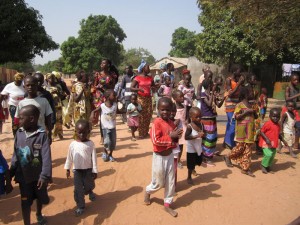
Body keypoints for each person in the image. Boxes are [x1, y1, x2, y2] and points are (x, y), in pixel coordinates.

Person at [10, 105, 52, 225]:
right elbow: (15, 153)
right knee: (25, 202)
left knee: (39, 197)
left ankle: (39, 214)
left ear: (32, 119)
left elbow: (46, 157)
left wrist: (44, 175)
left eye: (22, 118)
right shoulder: (19, 133)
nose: (19, 120)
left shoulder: (41, 135)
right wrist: (12, 170)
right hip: (24, 177)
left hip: (38, 177)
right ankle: (27, 223)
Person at [144, 97, 182, 217]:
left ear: (171, 110)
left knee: (170, 181)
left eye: (167, 109)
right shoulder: (156, 123)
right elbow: (156, 140)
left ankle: (167, 204)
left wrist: (177, 136)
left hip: (169, 155)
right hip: (159, 157)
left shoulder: (171, 123)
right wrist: (171, 137)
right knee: (159, 182)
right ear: (158, 110)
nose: (165, 112)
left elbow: (174, 140)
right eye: (162, 110)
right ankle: (148, 191)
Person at [64, 119, 98, 216]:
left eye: (84, 133)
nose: (82, 135)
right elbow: (69, 157)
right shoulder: (73, 144)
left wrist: (94, 170)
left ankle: (90, 191)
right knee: (78, 189)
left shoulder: (90, 144)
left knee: (88, 185)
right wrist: (67, 168)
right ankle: (80, 206)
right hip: (77, 171)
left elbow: (94, 158)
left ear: (88, 132)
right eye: (79, 133)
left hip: (88, 170)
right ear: (75, 132)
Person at [223, 87, 257, 177]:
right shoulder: (239, 105)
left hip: (250, 131)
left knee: (248, 150)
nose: (252, 93)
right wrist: (246, 112)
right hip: (241, 131)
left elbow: (256, 116)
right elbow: (237, 117)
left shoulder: (252, 105)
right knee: (240, 148)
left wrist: (254, 112)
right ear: (245, 94)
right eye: (250, 92)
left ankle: (245, 168)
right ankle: (228, 156)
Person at [14, 76, 53, 144]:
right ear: (24, 87)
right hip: (25, 134)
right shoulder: (21, 103)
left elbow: (48, 118)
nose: (30, 87)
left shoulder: (44, 101)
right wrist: (17, 135)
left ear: (37, 86)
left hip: (41, 134)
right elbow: (17, 120)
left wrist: (49, 133)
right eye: (28, 85)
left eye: (32, 85)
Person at [259, 108, 289, 174]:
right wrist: (266, 139)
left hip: (273, 143)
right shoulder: (268, 123)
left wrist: (283, 140)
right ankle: (263, 165)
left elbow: (279, 134)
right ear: (270, 116)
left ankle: (268, 166)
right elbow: (261, 132)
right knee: (268, 154)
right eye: (274, 116)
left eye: (277, 117)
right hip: (266, 143)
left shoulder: (278, 125)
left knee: (272, 155)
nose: (276, 118)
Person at [90, 89, 117, 162]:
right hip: (105, 127)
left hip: (113, 126)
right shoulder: (102, 106)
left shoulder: (115, 105)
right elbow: (95, 110)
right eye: (113, 95)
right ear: (108, 97)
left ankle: (110, 154)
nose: (115, 97)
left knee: (113, 142)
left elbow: (118, 111)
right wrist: (92, 114)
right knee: (107, 141)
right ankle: (105, 151)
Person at [131, 59, 155, 138]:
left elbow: (153, 86)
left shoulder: (150, 78)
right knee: (141, 115)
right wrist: (139, 89)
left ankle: (146, 132)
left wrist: (157, 86)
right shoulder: (137, 78)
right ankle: (141, 133)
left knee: (148, 115)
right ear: (143, 68)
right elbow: (131, 88)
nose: (149, 69)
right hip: (141, 98)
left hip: (148, 98)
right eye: (147, 67)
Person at [223, 65, 244, 149]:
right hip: (230, 104)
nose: (240, 73)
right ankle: (230, 143)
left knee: (230, 124)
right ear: (234, 72)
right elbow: (230, 93)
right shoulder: (229, 80)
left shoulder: (237, 81)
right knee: (233, 123)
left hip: (236, 105)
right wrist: (239, 84)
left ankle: (226, 142)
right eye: (239, 71)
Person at [200, 79, 218, 166]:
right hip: (206, 119)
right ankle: (206, 157)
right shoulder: (203, 95)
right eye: (212, 84)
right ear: (209, 86)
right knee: (208, 138)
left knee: (213, 137)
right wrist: (213, 92)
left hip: (212, 118)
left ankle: (208, 155)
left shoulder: (210, 94)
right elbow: (209, 104)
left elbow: (216, 104)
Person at [185, 107, 204, 184]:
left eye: (200, 116)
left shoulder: (201, 124)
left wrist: (203, 135)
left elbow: (204, 133)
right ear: (191, 117)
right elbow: (186, 137)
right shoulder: (189, 126)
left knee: (198, 160)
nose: (199, 118)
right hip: (191, 148)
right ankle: (189, 176)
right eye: (197, 117)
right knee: (190, 163)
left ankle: (193, 168)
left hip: (198, 146)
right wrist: (196, 136)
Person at [45, 73, 64, 141]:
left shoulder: (58, 86)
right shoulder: (45, 88)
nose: (52, 80)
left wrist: (58, 93)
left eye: (53, 78)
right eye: (50, 78)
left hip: (58, 105)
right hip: (49, 106)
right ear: (46, 79)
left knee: (59, 120)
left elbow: (62, 96)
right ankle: (52, 135)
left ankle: (60, 134)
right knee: (52, 120)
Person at [285, 72, 300, 150]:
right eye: (295, 80)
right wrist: (297, 95)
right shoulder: (288, 88)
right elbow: (287, 99)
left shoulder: (297, 89)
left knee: (298, 127)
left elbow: (297, 101)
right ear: (291, 80)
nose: (296, 81)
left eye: (298, 80)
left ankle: (296, 144)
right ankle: (283, 144)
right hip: (288, 110)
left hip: (295, 110)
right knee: (287, 128)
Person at [173, 90, 186, 169]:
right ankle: (173, 159)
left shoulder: (184, 106)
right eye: (180, 97)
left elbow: (186, 117)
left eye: (183, 96)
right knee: (174, 145)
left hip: (183, 129)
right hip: (175, 129)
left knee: (181, 146)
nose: (182, 98)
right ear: (175, 98)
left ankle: (178, 160)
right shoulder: (173, 107)